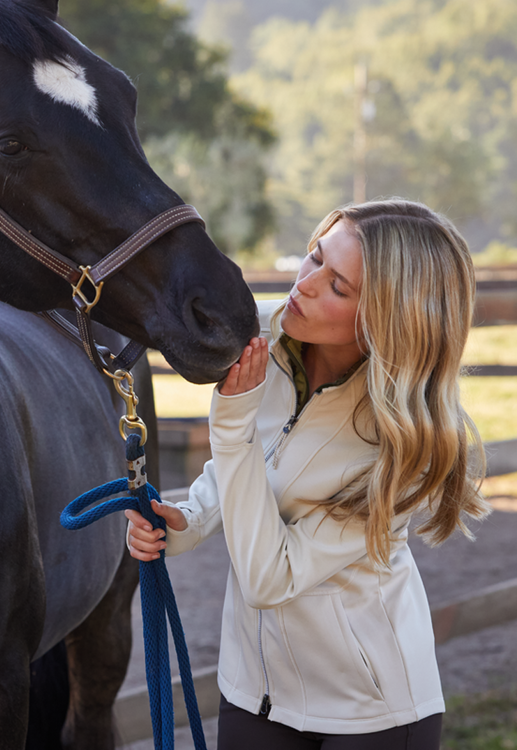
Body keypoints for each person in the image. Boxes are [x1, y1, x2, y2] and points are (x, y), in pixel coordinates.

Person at [126, 199, 489, 749]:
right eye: (314, 256)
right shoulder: (264, 339)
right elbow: (255, 468)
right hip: (255, 690)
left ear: (386, 322)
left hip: (372, 713)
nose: (307, 283)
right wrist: (187, 519)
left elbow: (269, 575)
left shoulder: (403, 449)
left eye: (339, 286)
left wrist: (230, 424)